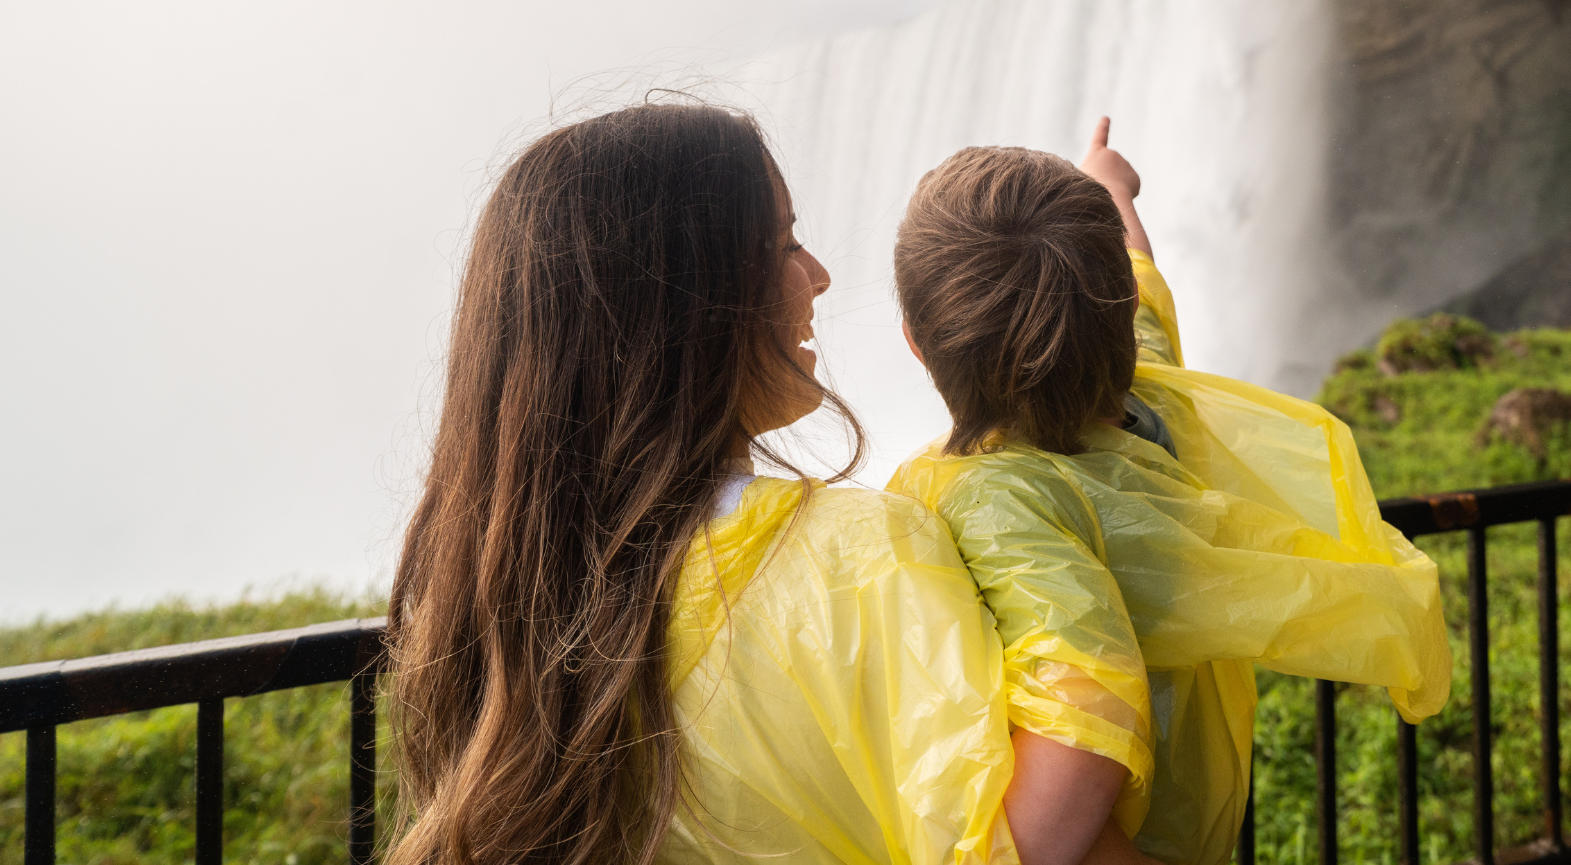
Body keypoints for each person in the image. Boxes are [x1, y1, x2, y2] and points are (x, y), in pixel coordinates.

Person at [383, 105, 1152, 865]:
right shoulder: (861, 557)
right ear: (685, 305)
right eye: (783, 243)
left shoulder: (515, 602)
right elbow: (1005, 841)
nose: (817, 275)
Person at [889, 119, 1453, 865]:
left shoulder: (992, 504)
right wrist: (1109, 188)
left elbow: (1080, 724)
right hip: (1197, 822)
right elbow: (1138, 284)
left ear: (917, 344)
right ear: (1116, 315)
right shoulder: (1154, 413)